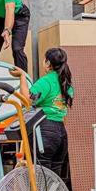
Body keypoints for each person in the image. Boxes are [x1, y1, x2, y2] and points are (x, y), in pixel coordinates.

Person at [10, 48, 73, 177]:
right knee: (53, 180)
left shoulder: (46, 81)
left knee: (39, 179)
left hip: (44, 132)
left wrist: (22, 77)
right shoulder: (66, 82)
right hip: (61, 134)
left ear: (48, 63)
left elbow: (26, 101)